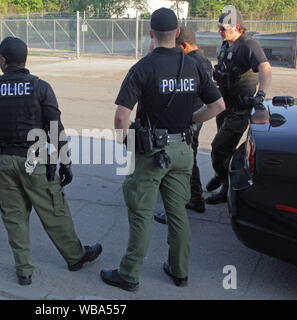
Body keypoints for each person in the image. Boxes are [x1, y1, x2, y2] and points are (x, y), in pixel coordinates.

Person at [100, 8, 225, 291]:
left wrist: (128, 144)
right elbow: (218, 106)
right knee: (177, 213)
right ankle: (180, 272)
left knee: (141, 213)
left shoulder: (143, 67)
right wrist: (191, 120)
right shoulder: (194, 64)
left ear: (151, 33)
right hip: (183, 150)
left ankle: (129, 275)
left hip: (151, 153)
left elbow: (121, 116)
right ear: (178, 34)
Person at [0, 36, 102, 286]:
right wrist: (65, 161)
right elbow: (55, 128)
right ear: (24, 60)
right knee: (54, 211)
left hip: (4, 159)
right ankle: (75, 257)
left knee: (14, 217)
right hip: (35, 159)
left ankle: (23, 270)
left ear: (3, 61)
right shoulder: (41, 87)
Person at [206, 8, 272, 204]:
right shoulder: (227, 45)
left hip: (239, 109)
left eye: (222, 28)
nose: (219, 31)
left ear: (236, 27)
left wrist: (261, 94)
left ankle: (224, 185)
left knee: (219, 148)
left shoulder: (248, 44)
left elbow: (265, 68)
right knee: (223, 149)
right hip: (224, 106)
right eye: (218, 28)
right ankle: (222, 177)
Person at [153, 26, 214, 224]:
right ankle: (196, 198)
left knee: (181, 166)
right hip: (197, 116)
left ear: (184, 45)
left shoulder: (189, 63)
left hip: (188, 120)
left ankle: (181, 205)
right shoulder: (204, 61)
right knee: (191, 161)